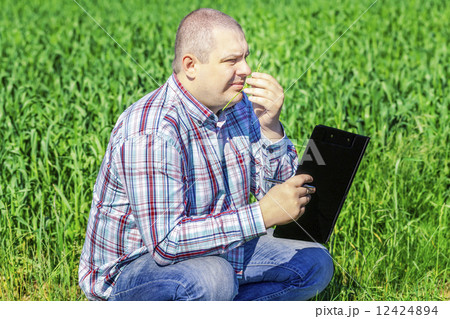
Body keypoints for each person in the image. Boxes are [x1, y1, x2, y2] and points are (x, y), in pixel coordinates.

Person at [78, 8, 333, 301]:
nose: (246, 69)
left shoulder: (239, 106)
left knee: (313, 262)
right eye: (231, 61)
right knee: (214, 278)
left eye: (246, 56)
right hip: (133, 270)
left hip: (214, 245)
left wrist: (270, 127)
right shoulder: (153, 131)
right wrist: (260, 215)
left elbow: (275, 198)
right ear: (191, 65)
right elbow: (165, 243)